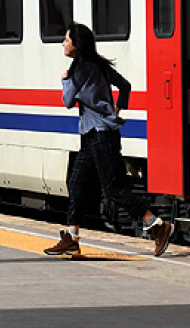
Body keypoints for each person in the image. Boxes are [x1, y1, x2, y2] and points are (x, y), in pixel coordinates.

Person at [44, 22, 174, 258]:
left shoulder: (81, 71)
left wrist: (65, 79)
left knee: (114, 190)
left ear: (77, 44)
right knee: (76, 184)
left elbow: (67, 101)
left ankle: (157, 225)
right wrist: (116, 110)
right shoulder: (98, 65)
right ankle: (71, 238)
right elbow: (125, 86)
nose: (63, 43)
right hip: (93, 135)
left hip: (100, 136)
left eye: (67, 40)